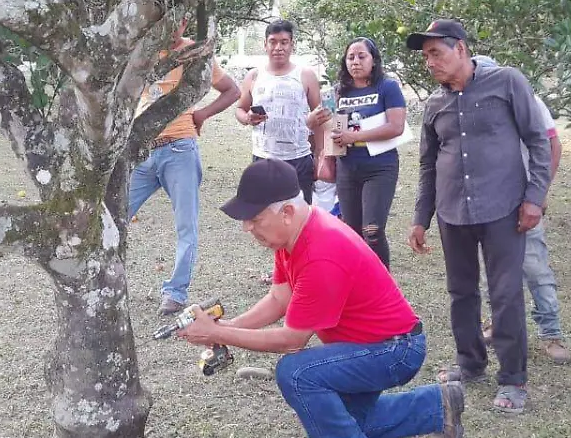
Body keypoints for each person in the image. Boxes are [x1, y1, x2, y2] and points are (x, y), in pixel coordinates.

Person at [177, 158, 466, 438]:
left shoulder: (321, 251)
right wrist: (227, 327)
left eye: (254, 219)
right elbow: (278, 299)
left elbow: (292, 341)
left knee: (296, 372)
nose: (247, 228)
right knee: (350, 423)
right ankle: (437, 405)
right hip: (376, 346)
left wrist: (218, 333)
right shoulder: (292, 237)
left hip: (394, 350)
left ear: (285, 212)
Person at [406, 19, 552, 414]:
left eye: (436, 53)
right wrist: (421, 217)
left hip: (504, 209)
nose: (429, 62)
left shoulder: (507, 83)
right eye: (425, 56)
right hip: (454, 211)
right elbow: (428, 166)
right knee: (461, 292)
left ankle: (513, 379)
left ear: (462, 50)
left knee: (505, 294)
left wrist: (534, 198)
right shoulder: (435, 105)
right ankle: (470, 363)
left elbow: (539, 141)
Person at [128, 19, 240, 315]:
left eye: (177, 21)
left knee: (185, 226)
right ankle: (110, 280)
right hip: (142, 152)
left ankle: (175, 292)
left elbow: (232, 90)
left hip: (179, 149)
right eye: (164, 20)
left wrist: (201, 114)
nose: (170, 27)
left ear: (187, 21)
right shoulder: (143, 51)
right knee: (114, 216)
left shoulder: (194, 52)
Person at [474, 55, 571, 364]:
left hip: (523, 199)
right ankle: (496, 324)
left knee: (535, 268)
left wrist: (539, 192)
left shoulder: (528, 99)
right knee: (495, 271)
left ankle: (551, 333)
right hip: (490, 202)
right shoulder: (473, 101)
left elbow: (552, 146)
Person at [310, 37, 407, 268]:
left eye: (362, 56)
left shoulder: (387, 87)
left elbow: (396, 127)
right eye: (350, 57)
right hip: (347, 168)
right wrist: (322, 131)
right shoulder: (340, 92)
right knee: (352, 234)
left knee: (372, 231)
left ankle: (384, 287)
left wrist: (355, 136)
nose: (355, 62)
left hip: (380, 168)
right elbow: (334, 127)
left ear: (373, 60)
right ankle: (359, 287)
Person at [235, 20, 324, 203]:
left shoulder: (305, 75)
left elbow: (320, 117)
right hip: (264, 158)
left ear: (292, 45)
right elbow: (240, 109)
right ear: (265, 45)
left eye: (284, 42)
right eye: (273, 42)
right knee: (265, 215)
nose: (278, 47)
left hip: (298, 158)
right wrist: (248, 118)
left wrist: (319, 156)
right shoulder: (254, 76)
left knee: (299, 217)